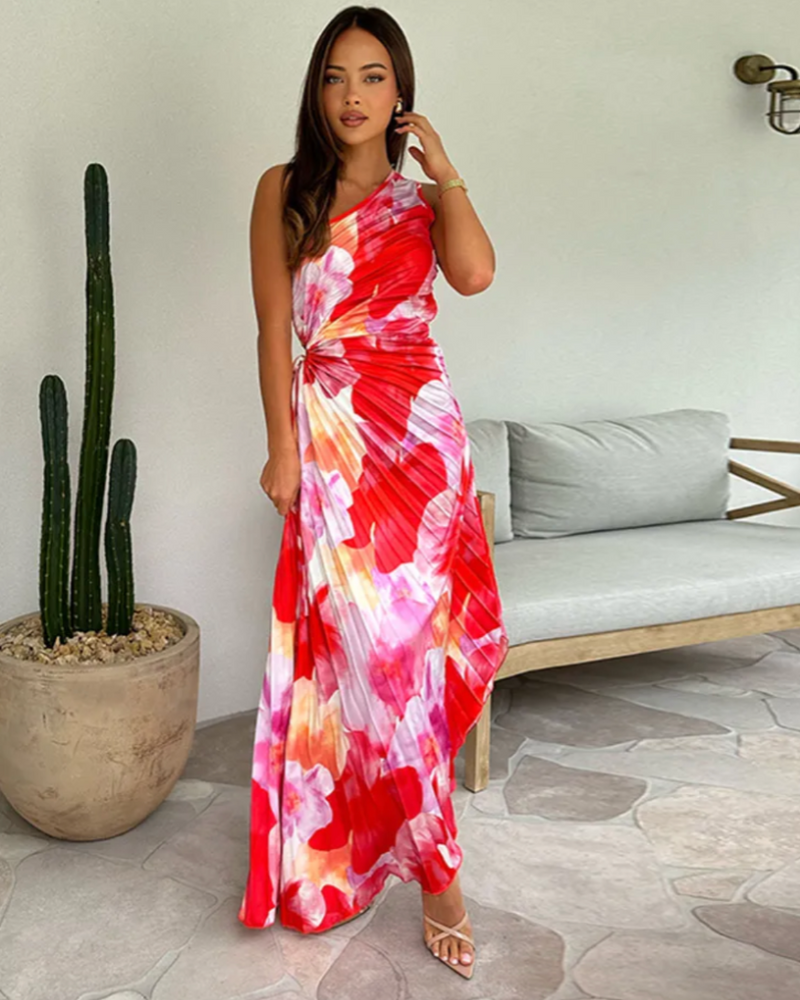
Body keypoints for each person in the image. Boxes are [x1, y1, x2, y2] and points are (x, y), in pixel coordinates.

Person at [237, 5, 509, 981]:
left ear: (400, 93)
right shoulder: (283, 189)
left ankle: (435, 873)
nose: (351, 96)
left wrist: (446, 171)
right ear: (316, 91)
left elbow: (474, 275)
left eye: (372, 76)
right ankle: (368, 856)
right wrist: (281, 448)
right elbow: (272, 330)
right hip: (329, 449)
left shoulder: (422, 202)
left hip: (420, 451)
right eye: (334, 76)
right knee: (362, 663)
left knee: (408, 669)